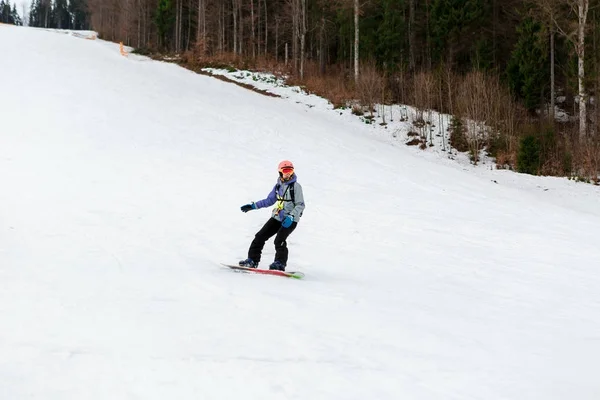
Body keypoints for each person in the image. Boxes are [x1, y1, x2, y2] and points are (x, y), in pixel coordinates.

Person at [239, 160, 305, 271]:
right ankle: (252, 260)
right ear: (280, 172)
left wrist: (292, 216)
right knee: (260, 236)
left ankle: (280, 263)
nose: (288, 173)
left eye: (290, 170)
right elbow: (269, 201)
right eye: (285, 170)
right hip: (277, 217)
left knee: (279, 240)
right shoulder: (278, 186)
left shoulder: (296, 187)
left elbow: (300, 204)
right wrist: (253, 206)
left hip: (290, 219)